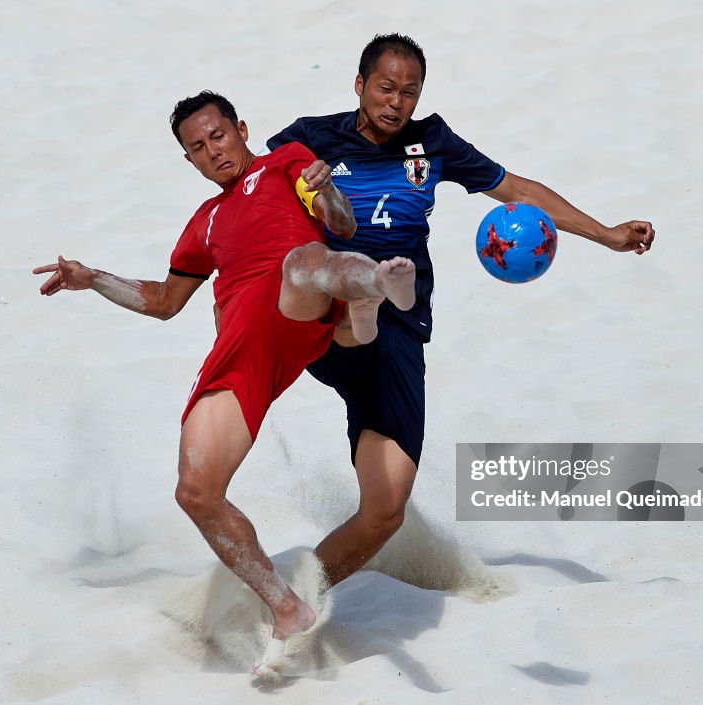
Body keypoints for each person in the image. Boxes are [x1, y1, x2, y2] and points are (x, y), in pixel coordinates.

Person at [265, 34, 656, 587]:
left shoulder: (433, 142)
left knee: (385, 511)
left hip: (400, 328)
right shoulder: (309, 138)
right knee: (348, 302)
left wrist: (606, 233)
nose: (396, 102)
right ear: (358, 85)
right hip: (328, 314)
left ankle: (294, 599)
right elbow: (254, 198)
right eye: (385, 88)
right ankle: (362, 303)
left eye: (409, 91)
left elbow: (515, 187)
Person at [32, 91, 416, 655]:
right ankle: (287, 608)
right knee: (196, 491)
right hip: (242, 349)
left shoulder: (285, 163)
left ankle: (377, 288)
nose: (213, 151)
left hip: (296, 298)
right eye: (197, 147)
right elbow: (164, 301)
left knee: (306, 264)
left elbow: (343, 223)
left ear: (240, 128)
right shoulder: (202, 225)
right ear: (188, 160)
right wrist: (93, 279)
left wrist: (328, 188)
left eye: (218, 136)